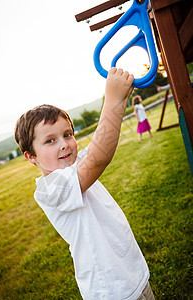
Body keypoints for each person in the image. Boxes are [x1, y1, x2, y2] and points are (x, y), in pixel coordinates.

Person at [15, 68, 155, 300]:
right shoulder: (52, 188)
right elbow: (99, 157)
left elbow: (103, 140)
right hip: (111, 290)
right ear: (31, 156)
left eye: (67, 134)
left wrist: (121, 99)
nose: (65, 144)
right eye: (50, 140)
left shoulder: (73, 165)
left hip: (131, 274)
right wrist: (112, 99)